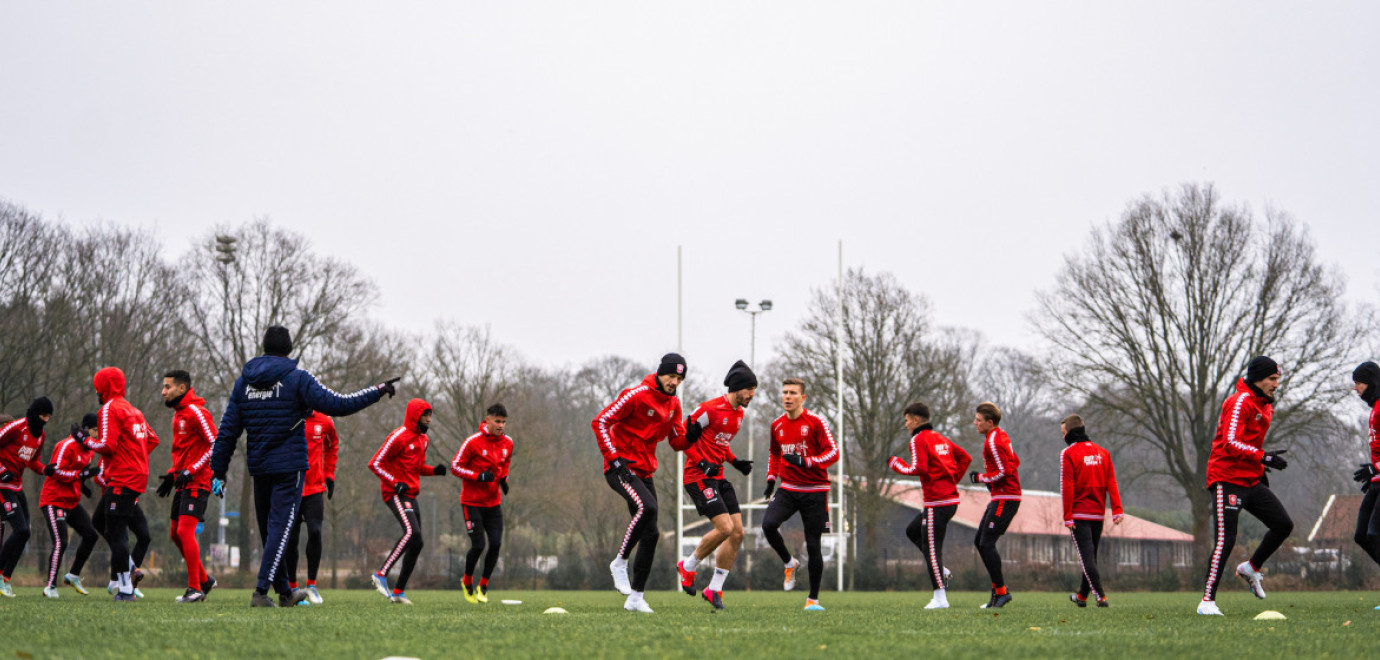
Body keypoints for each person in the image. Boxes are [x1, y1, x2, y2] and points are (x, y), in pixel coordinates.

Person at [210, 325, 398, 608]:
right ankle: (261, 592)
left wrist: (218, 470)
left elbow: (227, 430)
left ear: (264, 347)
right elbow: (339, 404)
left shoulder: (243, 382)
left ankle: (285, 592)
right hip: (289, 468)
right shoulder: (297, 378)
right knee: (280, 529)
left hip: (259, 466)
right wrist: (378, 390)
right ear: (289, 349)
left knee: (268, 531)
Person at [591, 353, 693, 613]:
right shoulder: (635, 395)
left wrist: (693, 433)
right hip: (620, 469)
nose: (674, 381)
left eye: (679, 378)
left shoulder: (673, 405)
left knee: (652, 533)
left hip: (645, 473)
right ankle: (620, 562)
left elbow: (677, 442)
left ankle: (635, 598)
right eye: (671, 375)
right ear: (660, 373)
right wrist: (613, 459)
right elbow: (600, 421)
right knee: (647, 508)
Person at [1197, 356, 1293, 616]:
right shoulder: (1239, 402)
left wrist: (1261, 464)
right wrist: (1264, 456)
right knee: (1226, 540)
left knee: (1283, 524)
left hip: (1250, 478)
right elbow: (1229, 442)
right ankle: (1207, 602)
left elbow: (1250, 444)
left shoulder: (1266, 407)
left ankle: (1251, 568)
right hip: (1226, 478)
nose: (1276, 384)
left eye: (1277, 379)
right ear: (1258, 379)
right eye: (1272, 379)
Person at [675, 361, 757, 610]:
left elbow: (720, 444)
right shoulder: (709, 409)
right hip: (697, 477)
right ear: (737, 387)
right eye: (749, 390)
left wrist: (735, 462)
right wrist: (702, 463)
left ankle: (714, 589)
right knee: (724, 528)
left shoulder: (739, 414)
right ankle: (687, 566)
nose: (752, 395)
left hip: (719, 477)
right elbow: (682, 439)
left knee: (738, 533)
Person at [79, 367, 159, 602]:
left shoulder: (108, 409)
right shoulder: (135, 410)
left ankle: (125, 589)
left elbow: (107, 445)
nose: (97, 392)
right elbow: (152, 439)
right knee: (98, 522)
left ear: (104, 387)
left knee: (116, 533)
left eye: (98, 387)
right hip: (136, 476)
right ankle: (130, 566)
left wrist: (84, 440)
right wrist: (136, 456)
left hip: (123, 477)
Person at [762, 377, 839, 612]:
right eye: (784, 392)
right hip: (789, 489)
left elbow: (833, 453)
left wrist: (807, 462)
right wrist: (771, 479)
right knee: (768, 524)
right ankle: (789, 562)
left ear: (802, 398)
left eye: (793, 393)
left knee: (813, 545)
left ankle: (813, 600)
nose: (787, 396)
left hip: (815, 491)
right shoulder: (777, 425)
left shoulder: (815, 422)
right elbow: (774, 454)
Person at [889, 401, 970, 610]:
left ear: (916, 420)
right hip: (949, 500)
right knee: (912, 531)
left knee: (932, 550)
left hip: (937, 502)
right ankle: (941, 570)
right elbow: (965, 458)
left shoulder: (918, 439)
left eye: (906, 420)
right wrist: (951, 480)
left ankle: (940, 598)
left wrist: (896, 464)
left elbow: (918, 468)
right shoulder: (940, 437)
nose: (905, 425)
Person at [368, 398, 448, 605]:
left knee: (418, 542)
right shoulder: (398, 437)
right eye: (426, 415)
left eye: (430, 415)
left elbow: (418, 468)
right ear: (415, 415)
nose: (429, 419)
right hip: (394, 493)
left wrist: (434, 471)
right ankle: (381, 574)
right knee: (412, 532)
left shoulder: (423, 440)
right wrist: (395, 483)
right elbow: (375, 463)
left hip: (411, 495)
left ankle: (398, 592)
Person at [157, 370, 218, 603]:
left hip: (198, 482)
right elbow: (185, 452)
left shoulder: (196, 412)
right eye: (163, 387)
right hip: (184, 482)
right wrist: (173, 475)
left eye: (167, 387)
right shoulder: (178, 415)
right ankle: (204, 580)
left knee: (184, 532)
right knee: (175, 534)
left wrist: (191, 470)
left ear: (182, 389)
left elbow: (215, 444)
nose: (163, 392)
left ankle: (194, 589)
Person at [450, 404, 513, 605]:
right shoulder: (472, 442)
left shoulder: (508, 443)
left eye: (503, 422)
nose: (501, 425)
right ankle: (467, 579)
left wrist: (504, 479)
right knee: (478, 545)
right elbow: (455, 466)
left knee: (495, 544)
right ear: (487, 420)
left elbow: (505, 466)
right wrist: (478, 476)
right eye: (497, 421)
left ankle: (483, 585)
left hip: (493, 503)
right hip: (471, 502)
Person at [1057, 414, 1123, 608]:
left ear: (1070, 432)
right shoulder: (1103, 453)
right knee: (1091, 556)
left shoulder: (1068, 454)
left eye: (1063, 433)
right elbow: (1111, 482)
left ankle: (1100, 595)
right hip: (1098, 514)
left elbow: (1067, 485)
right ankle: (1082, 597)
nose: (1062, 437)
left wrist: (1067, 516)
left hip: (1079, 515)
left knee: (1087, 558)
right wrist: (1117, 510)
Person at [38, 413, 101, 599]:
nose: (98, 434)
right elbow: (55, 472)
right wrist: (80, 477)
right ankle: (50, 586)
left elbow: (76, 472)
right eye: (96, 430)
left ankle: (73, 575)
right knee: (61, 542)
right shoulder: (65, 446)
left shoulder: (90, 450)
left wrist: (83, 487)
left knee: (91, 535)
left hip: (71, 502)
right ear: (86, 429)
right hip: (53, 500)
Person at [968, 401, 1022, 608]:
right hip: (1001, 497)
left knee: (986, 543)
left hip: (1006, 498)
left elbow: (1005, 472)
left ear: (990, 422)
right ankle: (997, 593)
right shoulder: (1000, 435)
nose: (975, 423)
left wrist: (981, 478)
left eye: (979, 420)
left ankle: (1001, 593)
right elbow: (1015, 462)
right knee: (979, 541)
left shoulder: (993, 441)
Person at [0, 397, 53, 597]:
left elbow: (33, 462)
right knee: (21, 529)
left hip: (17, 487)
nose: (46, 420)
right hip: (2, 486)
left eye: (49, 417)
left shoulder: (41, 436)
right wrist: (1, 470)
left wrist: (46, 469)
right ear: (34, 413)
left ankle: (5, 579)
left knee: (25, 533)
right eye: (43, 415)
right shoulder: (16, 427)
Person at [285, 410, 337, 604]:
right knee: (292, 537)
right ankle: (292, 587)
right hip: (291, 487)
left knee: (315, 531)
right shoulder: (288, 415)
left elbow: (333, 445)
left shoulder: (325, 420)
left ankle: (312, 585)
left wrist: (329, 474)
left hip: (315, 488)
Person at [1351, 362, 1380, 611]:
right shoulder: (1375, 409)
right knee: (1361, 535)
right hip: (1378, 482)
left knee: (1374, 534)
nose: (1355, 388)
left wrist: (1375, 469)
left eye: (1358, 383)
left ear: (1371, 382)